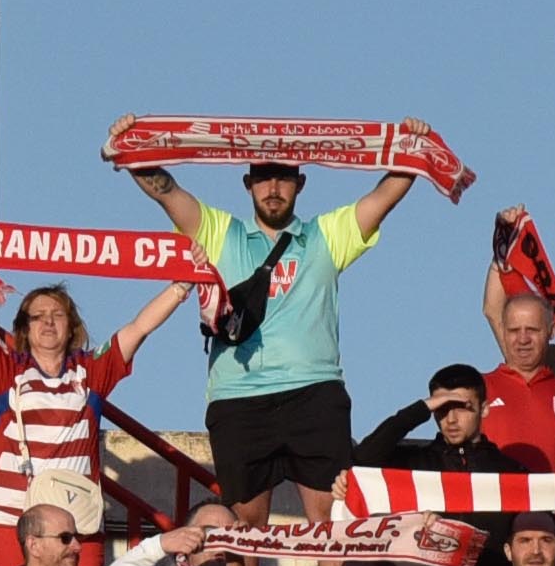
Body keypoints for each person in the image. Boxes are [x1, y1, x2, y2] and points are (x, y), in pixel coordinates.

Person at [133, 153, 434, 519]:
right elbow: (167, 192)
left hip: (314, 391)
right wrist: (133, 149)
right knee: (243, 532)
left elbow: (384, 196)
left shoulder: (324, 234)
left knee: (332, 525)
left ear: (301, 184)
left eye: (284, 178)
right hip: (239, 397)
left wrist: (412, 150)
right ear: (247, 184)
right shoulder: (221, 231)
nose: (273, 188)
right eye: (263, 178)